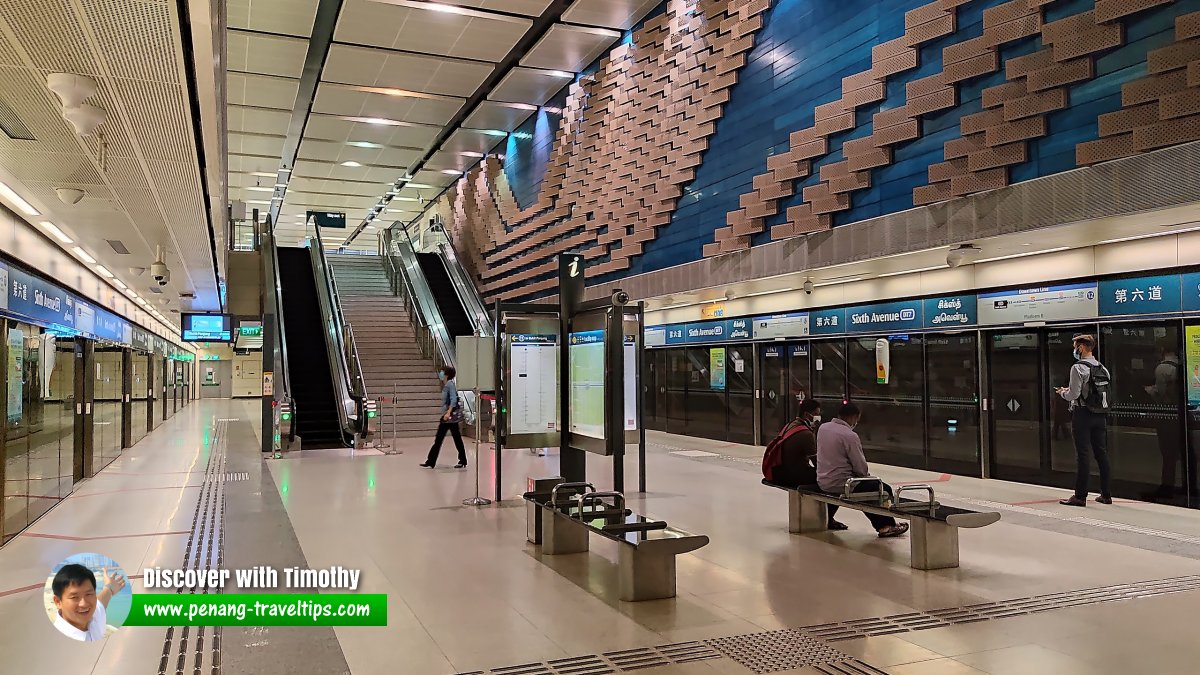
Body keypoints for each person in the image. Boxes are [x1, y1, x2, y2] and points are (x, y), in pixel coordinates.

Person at [815, 402, 908, 538]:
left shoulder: (823, 428)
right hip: (842, 483)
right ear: (853, 417)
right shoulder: (849, 435)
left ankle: (829, 518)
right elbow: (860, 466)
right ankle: (886, 525)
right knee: (882, 489)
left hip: (823, 480)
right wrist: (866, 477)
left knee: (859, 487)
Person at [768, 399, 848, 529]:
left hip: (780, 470)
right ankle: (829, 518)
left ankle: (828, 517)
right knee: (832, 481)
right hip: (792, 474)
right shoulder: (805, 434)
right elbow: (817, 463)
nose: (818, 417)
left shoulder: (791, 425)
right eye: (816, 413)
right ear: (807, 415)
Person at [1056, 334, 1112, 506]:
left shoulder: (1078, 368)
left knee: (1083, 455)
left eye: (1075, 346)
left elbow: (1074, 394)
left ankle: (1080, 496)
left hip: (1082, 414)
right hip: (1100, 415)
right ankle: (1106, 495)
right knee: (1101, 454)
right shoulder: (1103, 368)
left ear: (1081, 347)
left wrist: (1063, 393)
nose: (1074, 350)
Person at [1145, 344, 1182, 500]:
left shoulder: (1162, 369)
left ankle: (1167, 487)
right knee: (1185, 452)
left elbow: (1160, 394)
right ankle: (1189, 484)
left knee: (1168, 454)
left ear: (1163, 351)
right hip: (1181, 414)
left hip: (1167, 416)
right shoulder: (1182, 365)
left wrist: (1150, 390)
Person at [52, 564, 125, 642]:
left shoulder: (93, 616)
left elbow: (100, 603)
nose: (84, 604)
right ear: (58, 602)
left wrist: (109, 587)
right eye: (74, 597)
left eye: (89, 594)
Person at [420, 366, 467, 469]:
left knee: (443, 439)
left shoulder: (450, 385)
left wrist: (448, 413)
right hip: (448, 417)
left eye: (442, 372)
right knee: (452, 438)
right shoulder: (446, 385)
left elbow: (453, 400)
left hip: (449, 417)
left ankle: (432, 461)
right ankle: (432, 461)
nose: (440, 373)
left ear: (447, 374)